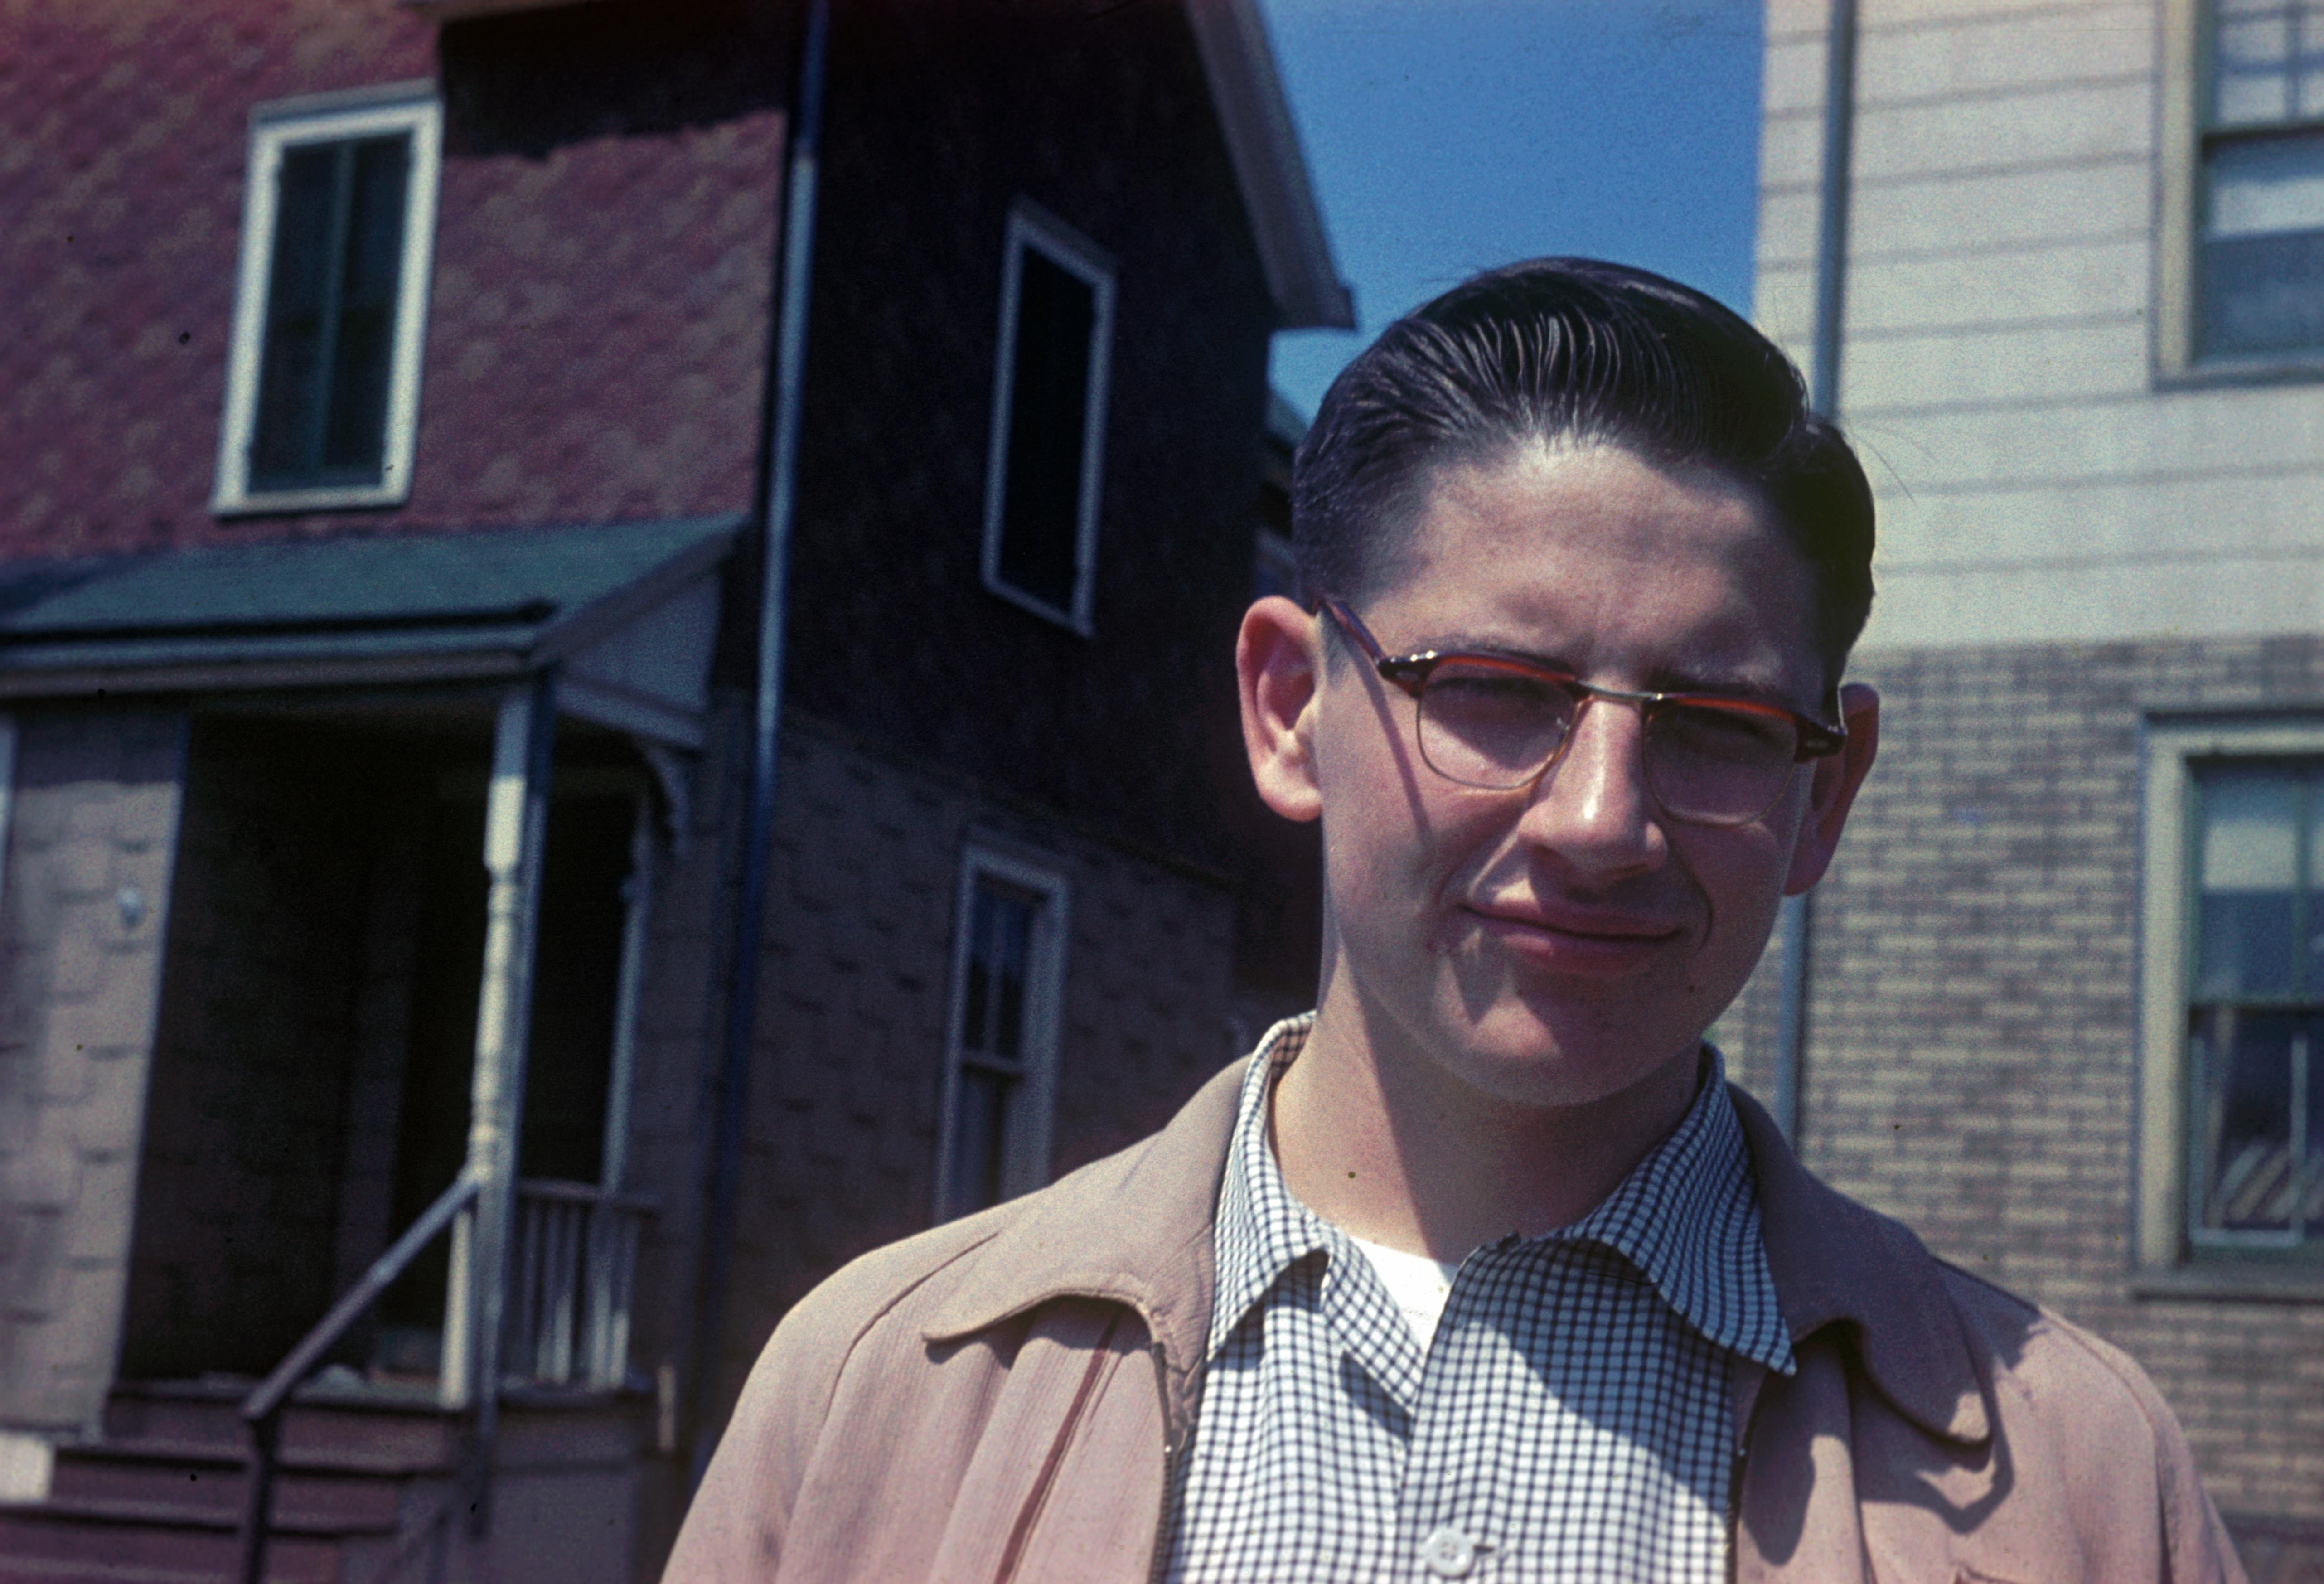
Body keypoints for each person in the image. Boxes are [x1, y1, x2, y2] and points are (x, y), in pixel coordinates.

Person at [663, 259, 2246, 1583]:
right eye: (1494, 691)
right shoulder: (873, 1397)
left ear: (1824, 794)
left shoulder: (2087, 1486)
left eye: (1717, 724)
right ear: (1291, 710)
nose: (1601, 820)